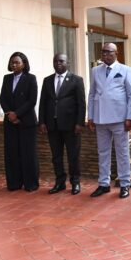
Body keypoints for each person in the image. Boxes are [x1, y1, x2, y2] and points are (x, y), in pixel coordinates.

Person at [87, 43, 131, 199]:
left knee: (122, 152)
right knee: (103, 152)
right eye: (103, 53)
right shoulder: (95, 71)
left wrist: (129, 117)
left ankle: (124, 184)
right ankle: (103, 183)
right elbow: (92, 94)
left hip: (119, 119)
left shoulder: (125, 70)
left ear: (116, 53)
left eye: (108, 52)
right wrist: (91, 116)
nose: (105, 55)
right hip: (100, 118)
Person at [39, 54, 86, 195]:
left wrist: (79, 123)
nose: (58, 63)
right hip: (52, 126)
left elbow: (81, 103)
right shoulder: (47, 80)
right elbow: (42, 102)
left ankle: (75, 183)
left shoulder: (76, 80)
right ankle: (60, 183)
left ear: (67, 62)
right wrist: (41, 121)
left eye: (61, 61)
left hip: (71, 126)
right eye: (55, 61)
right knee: (56, 156)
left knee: (73, 156)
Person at [0, 52, 39, 192]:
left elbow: (32, 100)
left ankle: (31, 184)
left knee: (28, 154)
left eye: (17, 62)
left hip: (26, 122)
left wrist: (17, 114)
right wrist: (9, 114)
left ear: (24, 64)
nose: (14, 65)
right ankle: (14, 183)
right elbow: (2, 98)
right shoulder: (7, 78)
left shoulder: (31, 78)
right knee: (12, 153)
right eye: (12, 62)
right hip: (10, 122)